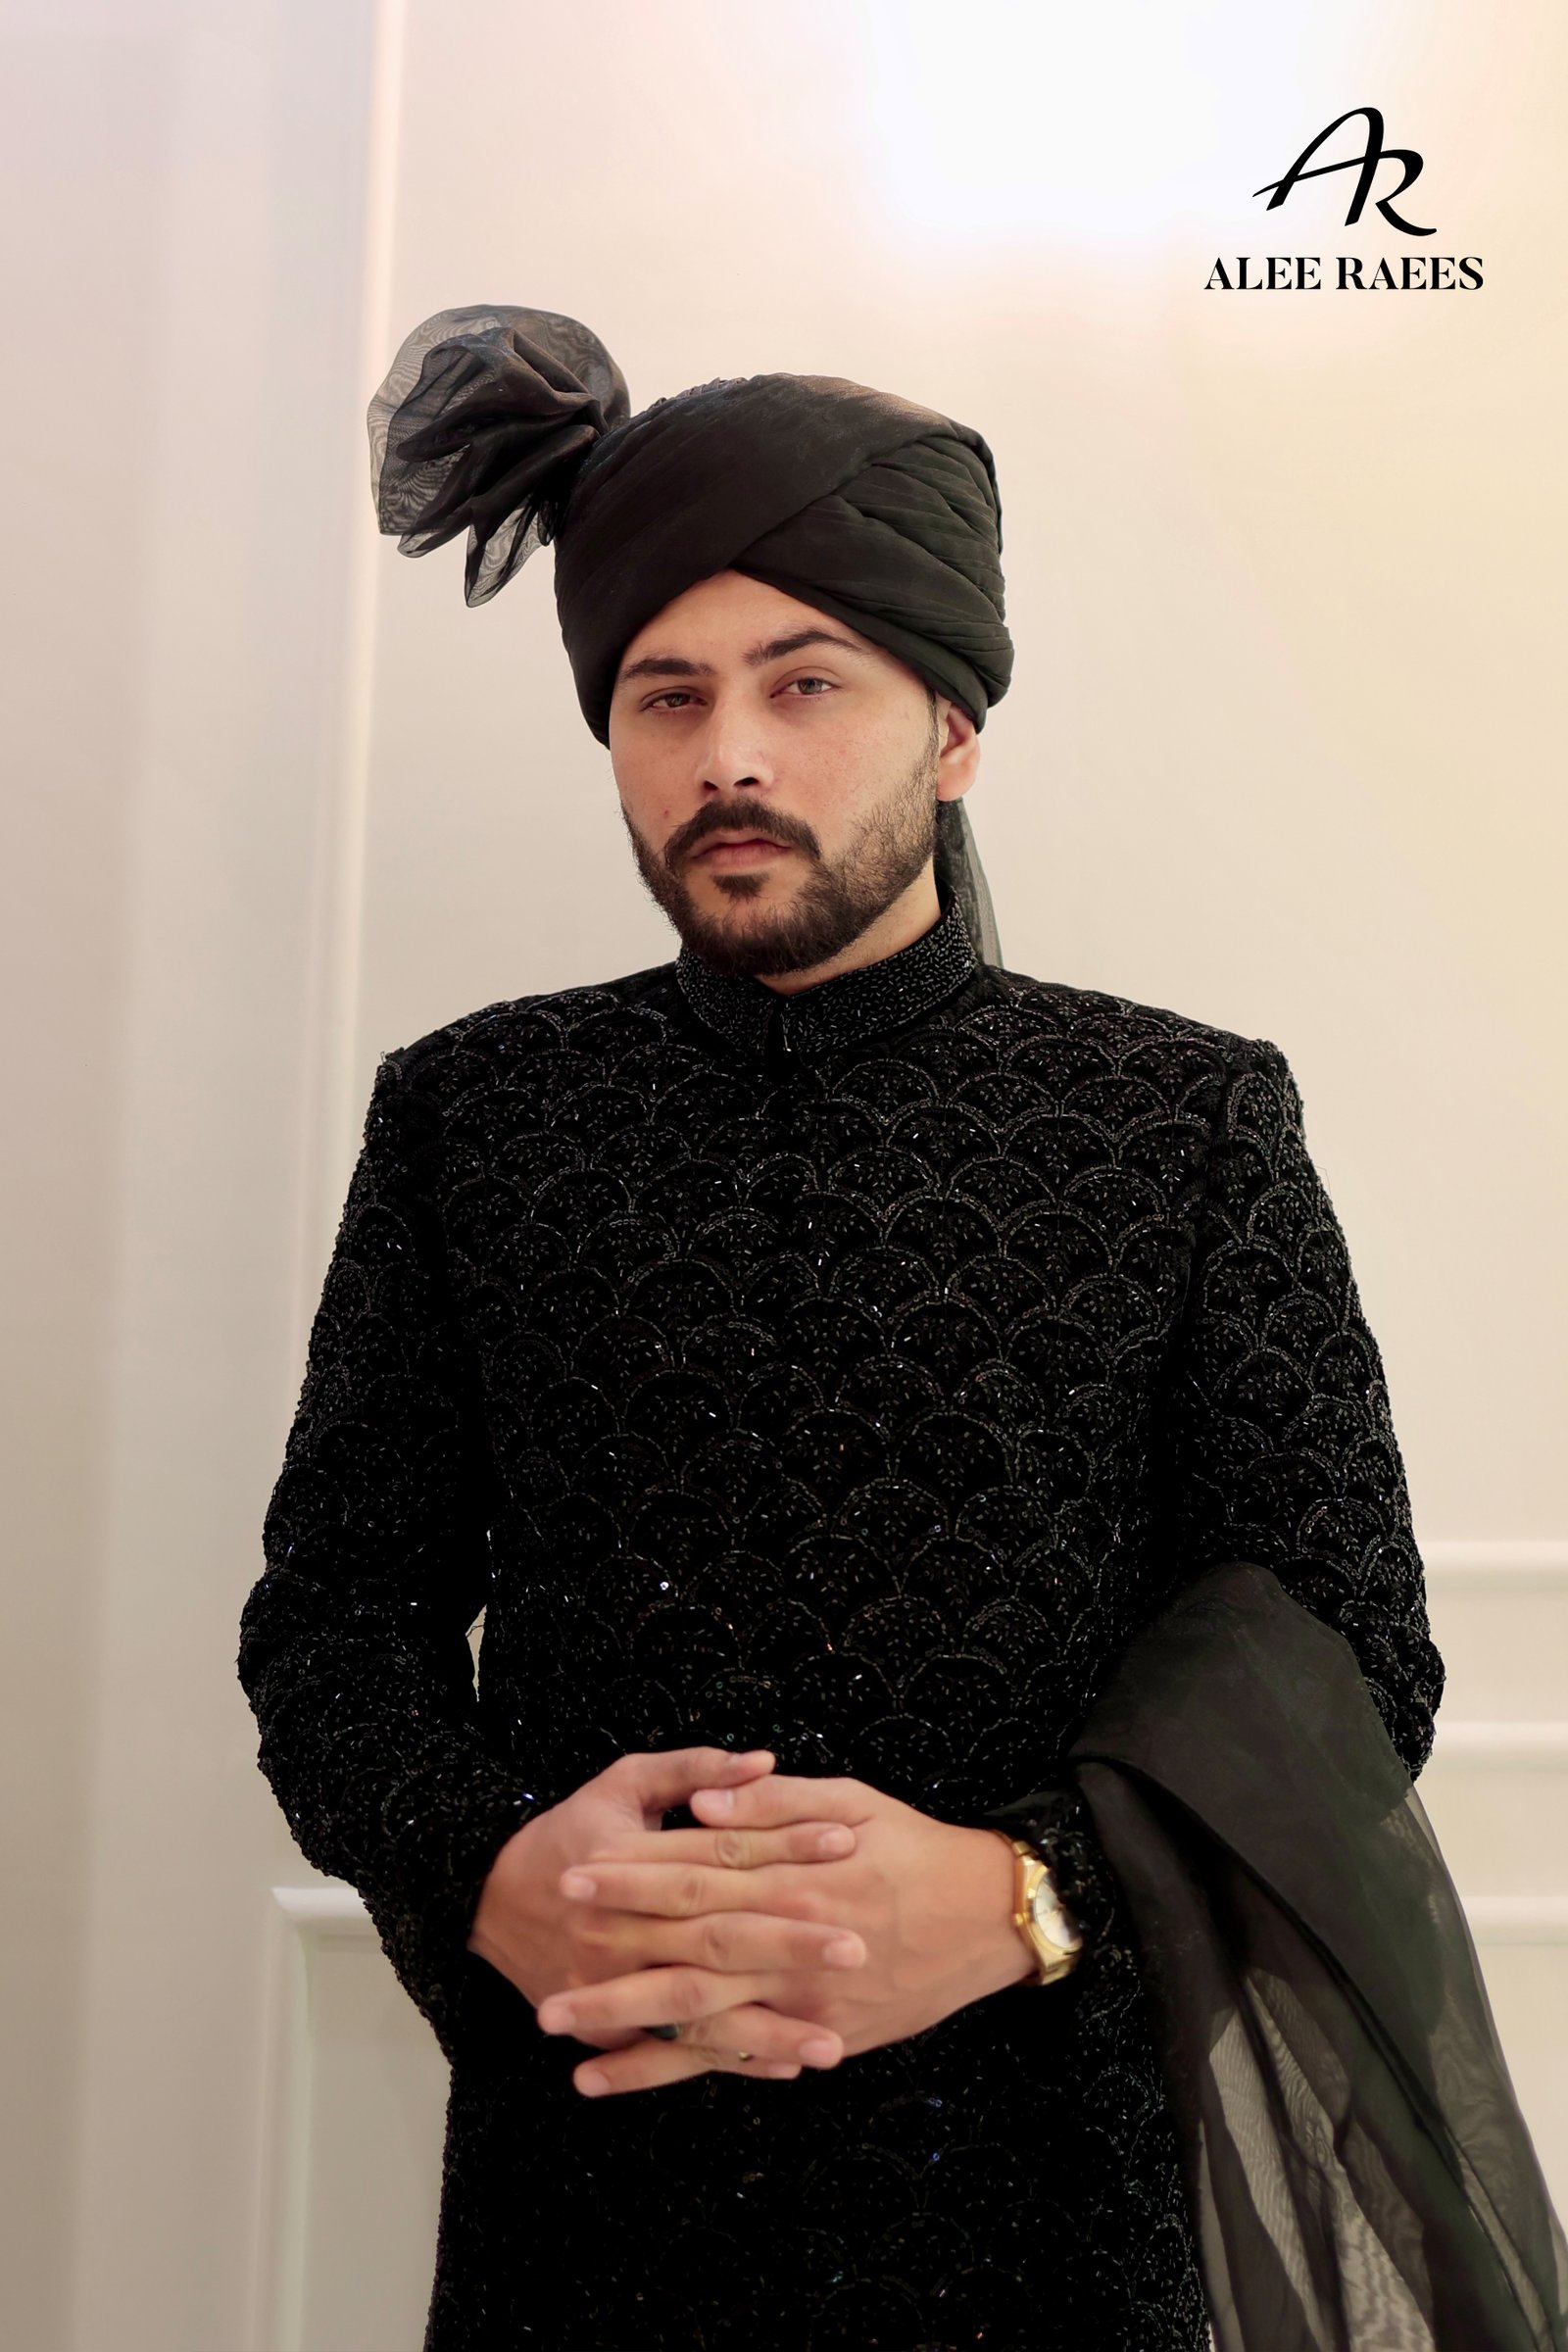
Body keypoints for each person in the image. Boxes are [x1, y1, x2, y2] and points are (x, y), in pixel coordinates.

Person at [238, 307, 1468, 2351]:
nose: (729, 752)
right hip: (589, 2187)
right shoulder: (473, 1117)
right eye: (667, 693)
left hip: (1045, 2195)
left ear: (950, 730)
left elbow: (1349, 1649)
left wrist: (1021, 1898)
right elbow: (335, 1617)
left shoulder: (1176, 1121)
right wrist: (489, 1872)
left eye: (804, 682)